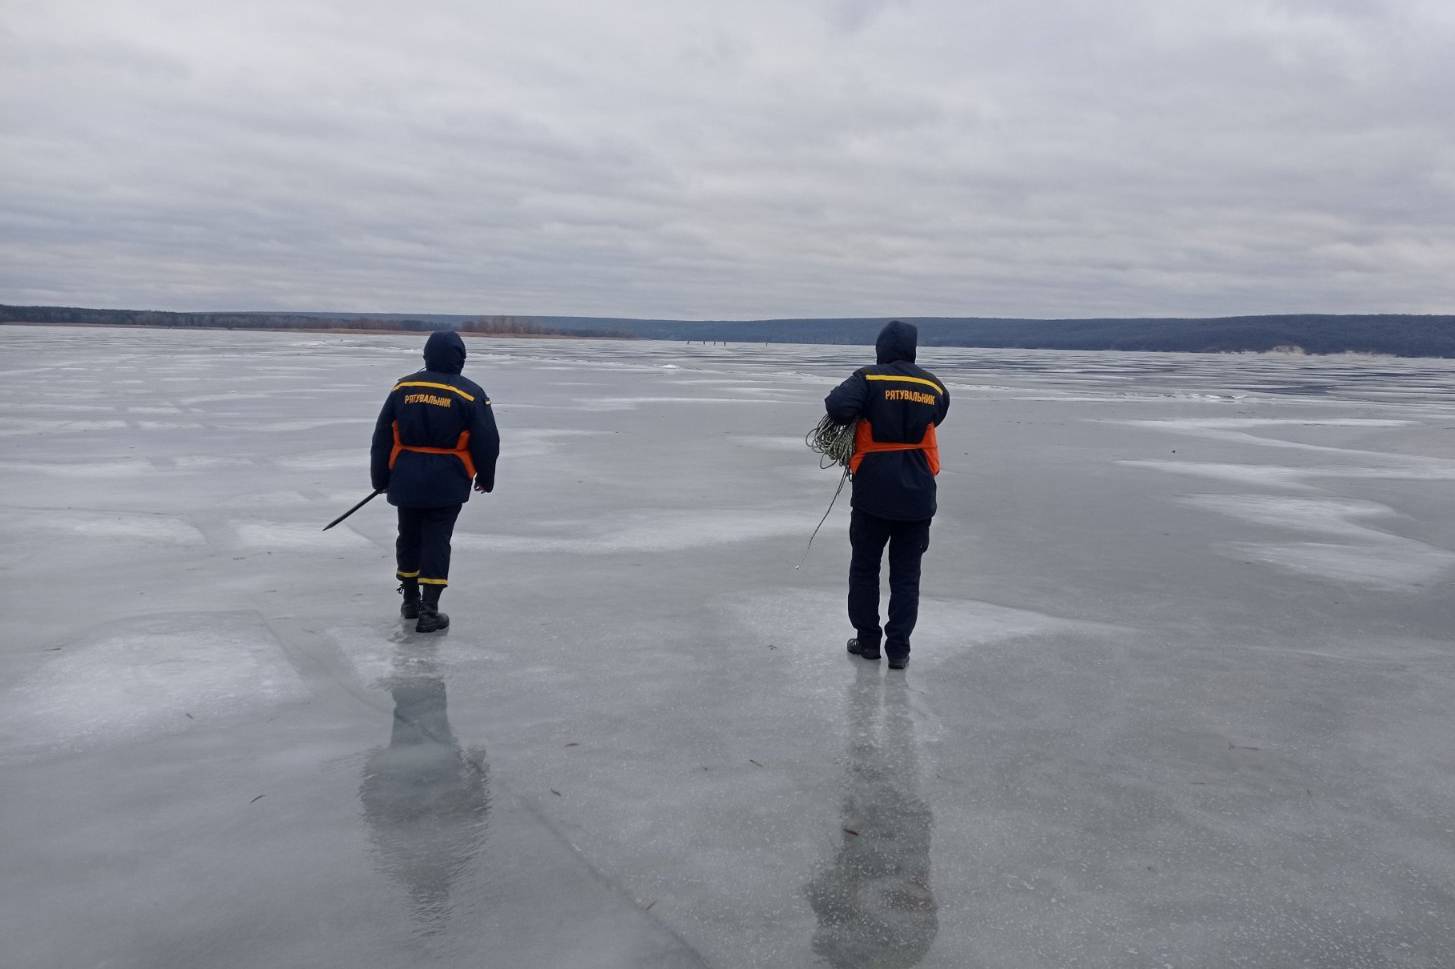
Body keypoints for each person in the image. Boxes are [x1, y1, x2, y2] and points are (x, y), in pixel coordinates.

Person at [824, 321, 949, 670]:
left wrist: (868, 413)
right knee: (906, 575)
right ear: (913, 349)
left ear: (881, 348)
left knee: (865, 568)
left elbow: (836, 406)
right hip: (918, 496)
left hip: (873, 493)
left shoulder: (868, 378)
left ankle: (867, 642)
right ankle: (899, 649)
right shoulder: (933, 385)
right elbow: (938, 415)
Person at [370, 330, 499, 633]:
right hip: (448, 480)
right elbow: (487, 441)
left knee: (409, 536)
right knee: (437, 540)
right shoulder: (471, 393)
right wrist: (486, 477)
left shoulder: (403, 387)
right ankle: (430, 611)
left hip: (406, 477)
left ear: (427, 355)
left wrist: (381, 478)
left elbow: (382, 437)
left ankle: (410, 600)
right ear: (460, 358)